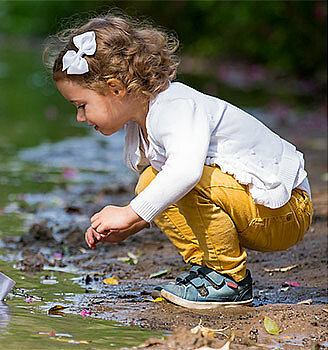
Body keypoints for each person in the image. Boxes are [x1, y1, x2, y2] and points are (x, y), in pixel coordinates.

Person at [43, 14, 313, 309]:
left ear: (116, 88)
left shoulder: (175, 106)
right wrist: (135, 223)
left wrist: (131, 213)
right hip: (255, 209)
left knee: (182, 178)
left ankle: (229, 279)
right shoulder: (142, 123)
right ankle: (209, 270)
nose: (80, 117)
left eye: (82, 106)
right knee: (150, 181)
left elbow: (185, 172)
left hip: (285, 210)